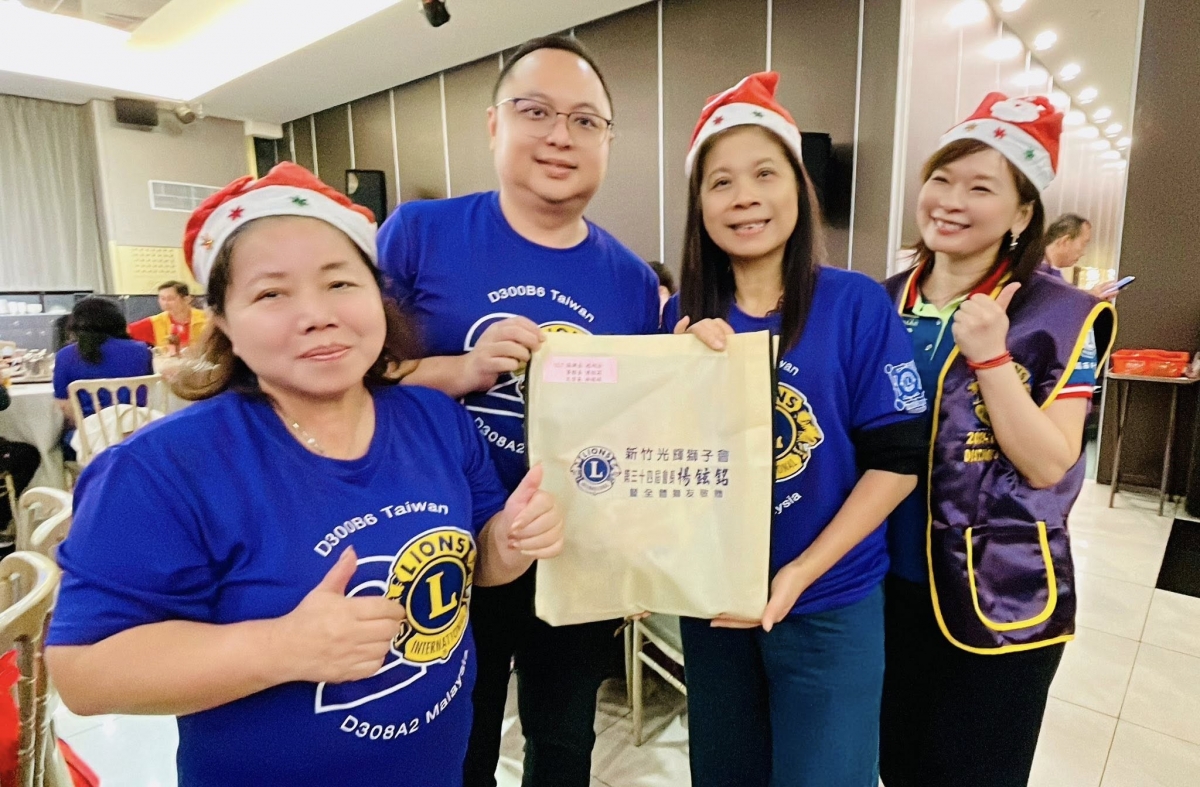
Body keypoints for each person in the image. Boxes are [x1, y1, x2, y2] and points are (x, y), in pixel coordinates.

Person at [44, 163, 566, 787]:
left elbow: (478, 562)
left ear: (377, 296)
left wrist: (509, 540)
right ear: (224, 321)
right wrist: (282, 648)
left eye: (340, 282)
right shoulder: (163, 468)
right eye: (271, 294)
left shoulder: (435, 420)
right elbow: (84, 673)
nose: (317, 314)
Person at [376, 35, 659, 787]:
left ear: (607, 141)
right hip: (440, 539)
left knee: (563, 740)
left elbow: (635, 426)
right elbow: (353, 378)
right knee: (453, 736)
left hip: (572, 548)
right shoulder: (419, 234)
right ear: (494, 124)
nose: (561, 136)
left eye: (585, 121)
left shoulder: (631, 281)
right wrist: (458, 368)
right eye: (536, 111)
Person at [664, 72, 927, 787]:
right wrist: (677, 379)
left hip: (830, 601)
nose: (743, 196)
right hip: (714, 605)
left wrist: (799, 573)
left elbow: (897, 462)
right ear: (699, 206)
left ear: (799, 190)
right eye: (720, 182)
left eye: (764, 173)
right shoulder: (679, 319)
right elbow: (661, 473)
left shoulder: (857, 304)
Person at [878, 94, 1116, 787]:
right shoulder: (879, 300)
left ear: (1021, 214)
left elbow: (1049, 463)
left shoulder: (1063, 315)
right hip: (880, 586)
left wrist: (989, 357)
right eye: (941, 178)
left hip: (998, 591)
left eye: (981, 187)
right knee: (895, 764)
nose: (951, 201)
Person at [53, 298, 154, 457]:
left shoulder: (65, 355)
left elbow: (64, 406)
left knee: (54, 440)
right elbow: (148, 390)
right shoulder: (141, 350)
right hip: (135, 431)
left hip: (90, 436)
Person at [127, 280, 208, 352]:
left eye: (170, 299)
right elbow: (127, 331)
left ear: (187, 299)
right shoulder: (155, 322)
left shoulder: (206, 319)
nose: (165, 303)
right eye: (162, 298)